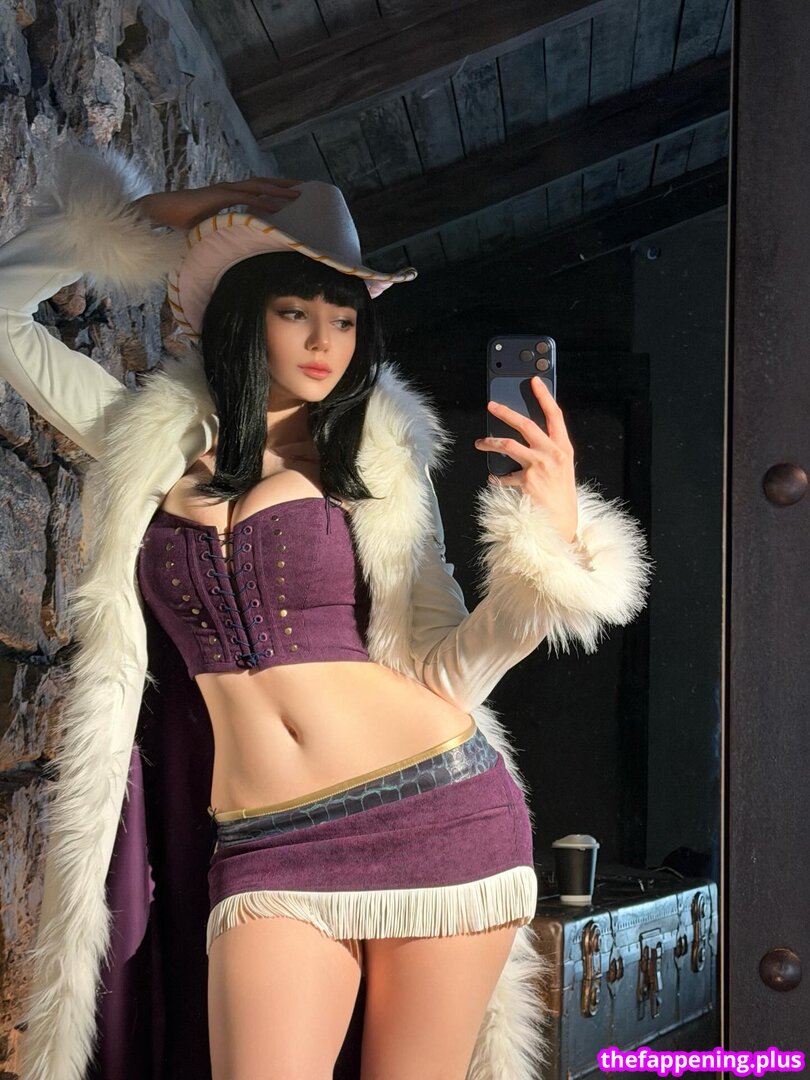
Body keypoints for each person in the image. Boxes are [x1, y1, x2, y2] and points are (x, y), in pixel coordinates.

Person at [1, 145, 653, 1080]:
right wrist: (160, 214)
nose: (323, 341)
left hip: (437, 810)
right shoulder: (145, 438)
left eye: (344, 319)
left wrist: (546, 550)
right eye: (295, 311)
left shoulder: (378, 472)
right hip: (264, 843)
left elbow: (448, 671)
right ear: (242, 317)